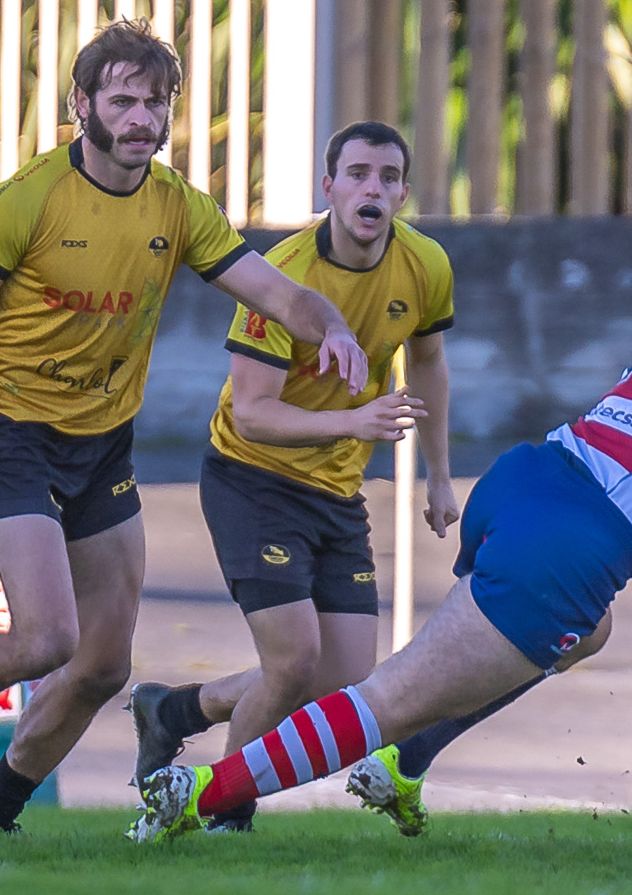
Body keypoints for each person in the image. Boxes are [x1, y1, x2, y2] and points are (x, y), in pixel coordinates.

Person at [0, 19, 366, 835]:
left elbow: (276, 293)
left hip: (102, 447)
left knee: (101, 667)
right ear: (80, 104)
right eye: (122, 100)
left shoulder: (178, 207)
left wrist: (330, 325)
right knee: (47, 636)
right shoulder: (27, 200)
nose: (141, 120)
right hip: (11, 432)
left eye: (155, 103)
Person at [126, 308, 632, 840]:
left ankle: (407, 759)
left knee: (586, 630)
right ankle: (197, 795)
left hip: (527, 476)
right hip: (566, 541)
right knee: (384, 699)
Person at [122, 121, 459, 832]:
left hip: (335, 492)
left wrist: (439, 475)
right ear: (328, 187)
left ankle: (175, 710)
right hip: (253, 480)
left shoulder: (425, 264)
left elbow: (426, 362)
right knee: (293, 658)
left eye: (389, 176)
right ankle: (221, 814)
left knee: (339, 683)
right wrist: (356, 422)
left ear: (403, 191)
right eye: (359, 173)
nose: (374, 188)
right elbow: (253, 415)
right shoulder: (285, 275)